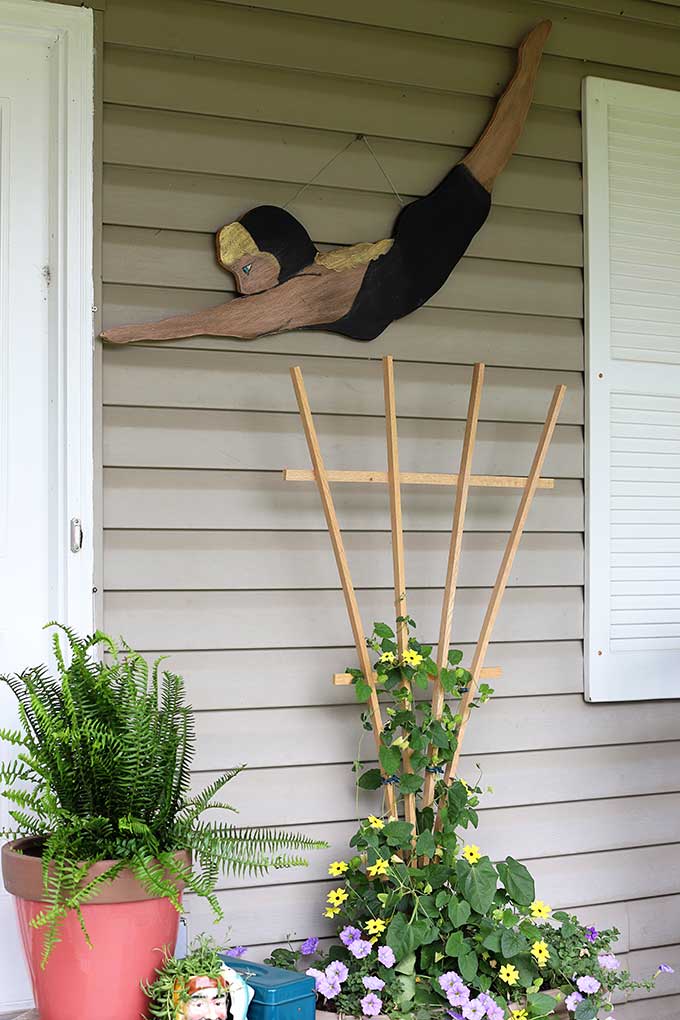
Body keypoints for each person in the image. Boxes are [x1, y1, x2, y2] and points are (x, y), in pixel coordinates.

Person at [101, 21, 551, 346]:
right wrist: (138, 333)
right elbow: (234, 317)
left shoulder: (306, 284)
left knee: (481, 169)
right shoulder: (306, 288)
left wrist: (138, 332)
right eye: (237, 274)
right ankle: (526, 75)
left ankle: (527, 72)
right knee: (476, 176)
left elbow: (227, 320)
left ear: (279, 253)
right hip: (398, 272)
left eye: (248, 269)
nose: (241, 286)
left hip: (407, 261)